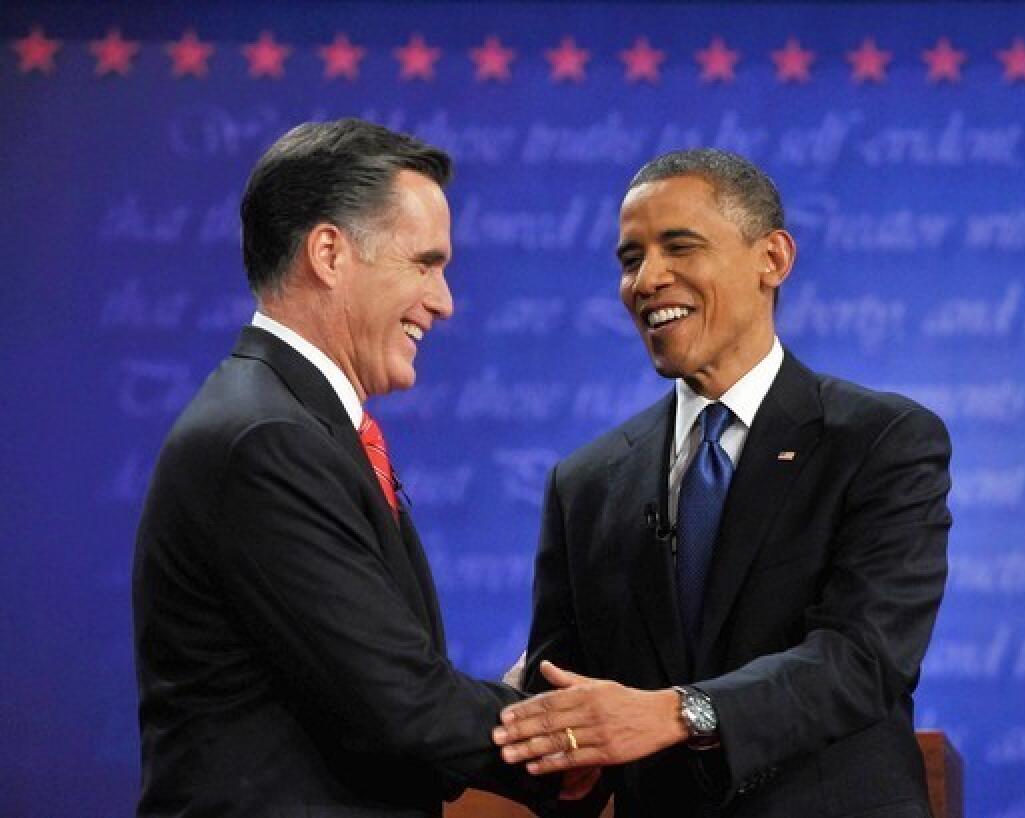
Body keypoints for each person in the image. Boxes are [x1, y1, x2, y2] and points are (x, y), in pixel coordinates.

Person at [493, 149, 952, 818]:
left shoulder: (880, 441)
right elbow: (561, 700)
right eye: (630, 260)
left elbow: (863, 660)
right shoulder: (586, 484)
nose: (647, 279)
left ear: (772, 258)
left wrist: (682, 713)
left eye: (680, 247)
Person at [132, 119, 564, 817]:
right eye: (425, 263)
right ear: (330, 253)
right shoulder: (267, 440)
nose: (445, 301)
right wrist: (570, 741)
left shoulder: (294, 423)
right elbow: (402, 703)